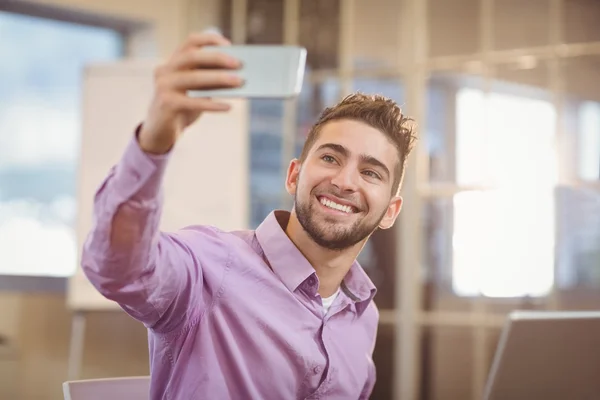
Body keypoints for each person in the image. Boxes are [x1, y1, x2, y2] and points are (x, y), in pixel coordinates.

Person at [81, 31, 417, 400]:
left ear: (390, 211)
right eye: (330, 158)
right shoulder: (208, 268)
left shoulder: (361, 317)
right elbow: (120, 270)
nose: (344, 181)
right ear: (293, 176)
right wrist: (154, 141)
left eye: (370, 173)